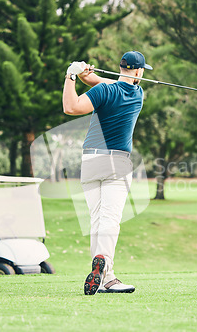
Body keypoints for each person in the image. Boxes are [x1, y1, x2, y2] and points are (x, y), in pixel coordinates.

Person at [62, 51, 152, 295]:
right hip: (117, 163)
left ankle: (105, 277)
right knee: (110, 220)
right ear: (139, 71)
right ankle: (103, 264)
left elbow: (71, 105)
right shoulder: (138, 94)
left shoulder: (104, 92)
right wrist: (84, 75)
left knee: (97, 221)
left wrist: (72, 74)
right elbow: (94, 86)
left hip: (90, 161)